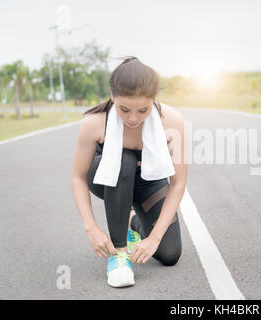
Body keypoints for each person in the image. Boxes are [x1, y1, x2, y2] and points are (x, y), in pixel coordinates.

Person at [70, 56, 187, 287]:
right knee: (125, 159)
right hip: (107, 178)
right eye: (124, 109)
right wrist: (91, 228)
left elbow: (178, 184)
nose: (133, 119)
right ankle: (119, 254)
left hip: (147, 184)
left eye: (143, 110)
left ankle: (133, 223)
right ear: (113, 97)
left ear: (153, 99)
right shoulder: (94, 122)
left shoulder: (172, 121)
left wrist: (153, 239)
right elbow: (78, 177)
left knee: (169, 254)